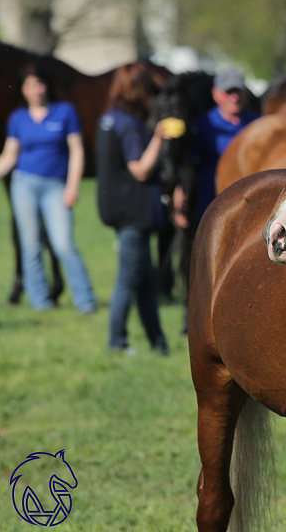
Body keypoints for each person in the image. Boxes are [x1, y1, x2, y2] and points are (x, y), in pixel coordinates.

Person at [0, 64, 96, 313]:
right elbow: (9, 156)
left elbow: (77, 150)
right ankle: (39, 302)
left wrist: (72, 187)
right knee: (30, 246)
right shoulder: (18, 118)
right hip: (24, 185)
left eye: (39, 84)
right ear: (23, 90)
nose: (36, 90)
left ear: (47, 86)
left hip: (56, 186)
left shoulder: (64, 112)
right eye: (30, 85)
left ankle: (85, 301)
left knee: (63, 244)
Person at [96, 62, 171, 355]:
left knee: (144, 278)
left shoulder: (108, 118)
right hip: (133, 213)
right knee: (129, 278)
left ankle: (158, 342)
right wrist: (159, 136)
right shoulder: (129, 125)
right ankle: (117, 342)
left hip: (118, 208)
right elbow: (140, 168)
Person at [187, 67, 259, 225]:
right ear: (215, 94)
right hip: (212, 201)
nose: (234, 98)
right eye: (228, 92)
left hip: (249, 202)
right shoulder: (202, 124)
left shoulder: (257, 125)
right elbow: (190, 165)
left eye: (238, 92)